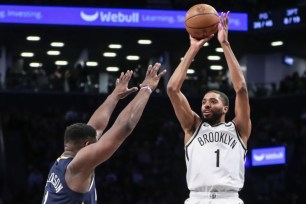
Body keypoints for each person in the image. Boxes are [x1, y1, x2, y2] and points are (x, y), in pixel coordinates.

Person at [42, 63, 166, 204]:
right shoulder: (78, 166)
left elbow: (96, 128)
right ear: (87, 145)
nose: (97, 140)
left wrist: (115, 95)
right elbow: (124, 127)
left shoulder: (62, 163)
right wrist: (146, 89)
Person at [167, 12, 251, 204]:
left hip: (229, 198)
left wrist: (225, 44)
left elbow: (241, 90)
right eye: (204, 101)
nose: (206, 104)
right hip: (197, 198)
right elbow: (172, 89)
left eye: (213, 101)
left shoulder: (239, 129)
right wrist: (193, 49)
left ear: (225, 108)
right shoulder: (193, 127)